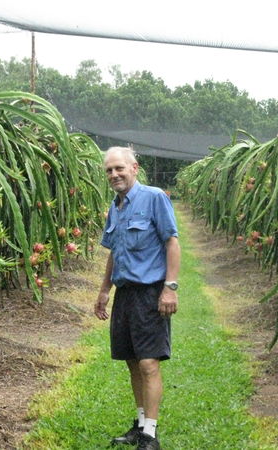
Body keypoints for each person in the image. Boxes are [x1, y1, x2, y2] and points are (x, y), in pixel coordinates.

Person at [94, 146, 180, 450]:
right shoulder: (115, 207)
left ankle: (151, 435)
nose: (114, 174)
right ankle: (141, 424)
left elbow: (171, 241)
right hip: (124, 294)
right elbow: (113, 253)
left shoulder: (154, 197)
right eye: (109, 170)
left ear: (134, 167)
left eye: (119, 168)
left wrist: (170, 287)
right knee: (132, 362)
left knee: (148, 364)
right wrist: (105, 290)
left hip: (149, 292)